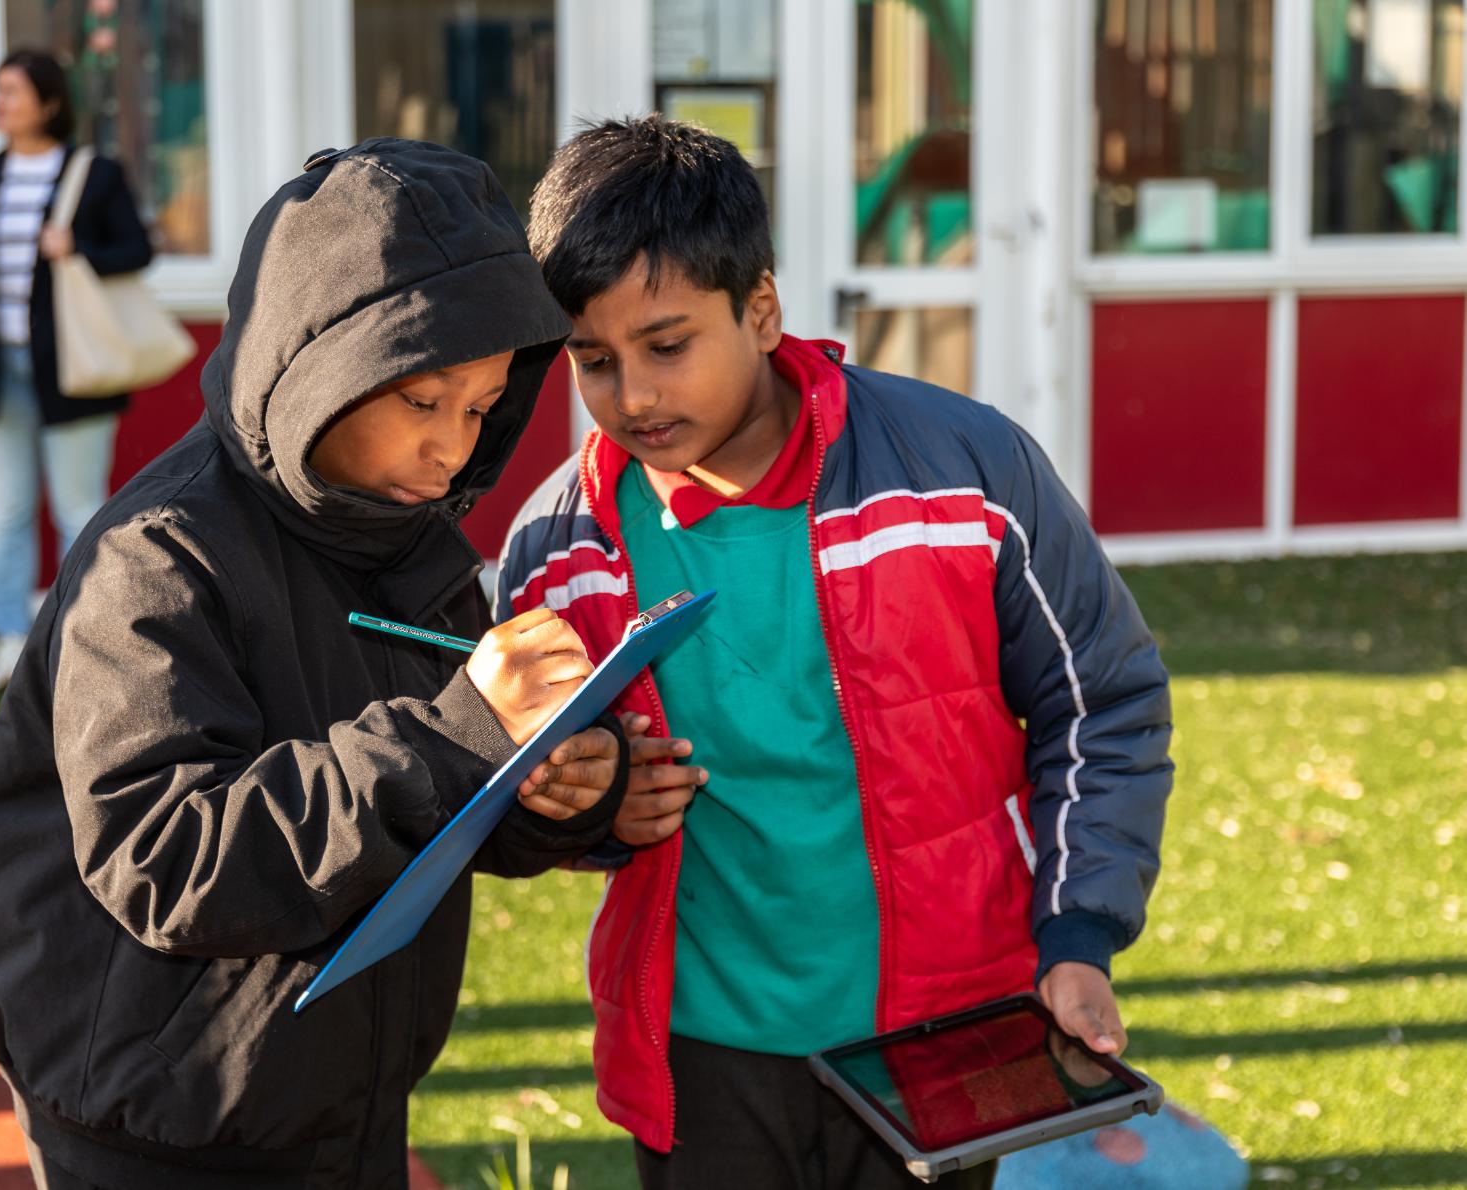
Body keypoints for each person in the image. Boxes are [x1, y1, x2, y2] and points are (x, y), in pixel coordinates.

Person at [496, 115, 1174, 1190]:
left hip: (944, 1031)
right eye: (593, 360)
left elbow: (1102, 702)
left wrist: (1079, 931)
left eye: (667, 345)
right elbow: (525, 795)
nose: (634, 395)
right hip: (700, 1055)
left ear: (761, 308)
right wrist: (594, 808)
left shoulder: (964, 471)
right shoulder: (553, 552)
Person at [0, 138, 627, 1190]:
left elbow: (430, 802)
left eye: (481, 406)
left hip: (338, 1096)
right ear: (321, 364)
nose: (453, 449)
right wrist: (457, 735)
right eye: (424, 400)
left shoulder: (406, 534)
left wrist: (554, 794)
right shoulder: (156, 556)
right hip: (161, 1129)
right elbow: (167, 854)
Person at [0, 48, 154, 692]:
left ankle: (84, 636)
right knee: (7, 510)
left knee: (80, 508)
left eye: (13, 92)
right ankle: (10, 639)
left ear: (49, 103)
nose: (0, 104)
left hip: (74, 372)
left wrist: (77, 247)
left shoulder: (95, 174)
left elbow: (137, 249)